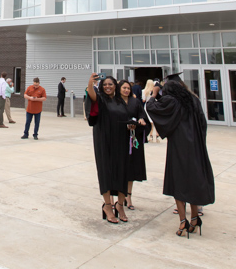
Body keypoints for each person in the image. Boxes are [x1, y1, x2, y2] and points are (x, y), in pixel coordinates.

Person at [145, 75, 215, 238]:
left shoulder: (171, 101)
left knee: (178, 180)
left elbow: (151, 107)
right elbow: (203, 124)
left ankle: (183, 221)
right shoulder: (193, 100)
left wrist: (154, 93)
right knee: (193, 180)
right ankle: (195, 218)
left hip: (179, 146)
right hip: (196, 146)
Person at [86, 73, 131, 224]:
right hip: (103, 139)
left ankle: (120, 205)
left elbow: (126, 117)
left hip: (121, 140)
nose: (107, 87)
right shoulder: (100, 99)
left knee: (122, 170)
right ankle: (107, 206)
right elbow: (91, 94)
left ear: (115, 86)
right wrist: (91, 83)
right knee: (106, 170)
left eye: (110, 84)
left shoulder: (120, 101)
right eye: (105, 84)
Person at [118, 80, 147, 211]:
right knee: (120, 167)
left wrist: (141, 120)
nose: (126, 90)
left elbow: (142, 115)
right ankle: (120, 195)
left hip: (133, 138)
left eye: (128, 88)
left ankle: (128, 196)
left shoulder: (135, 102)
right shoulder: (115, 102)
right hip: (119, 139)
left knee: (131, 168)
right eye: (124, 88)